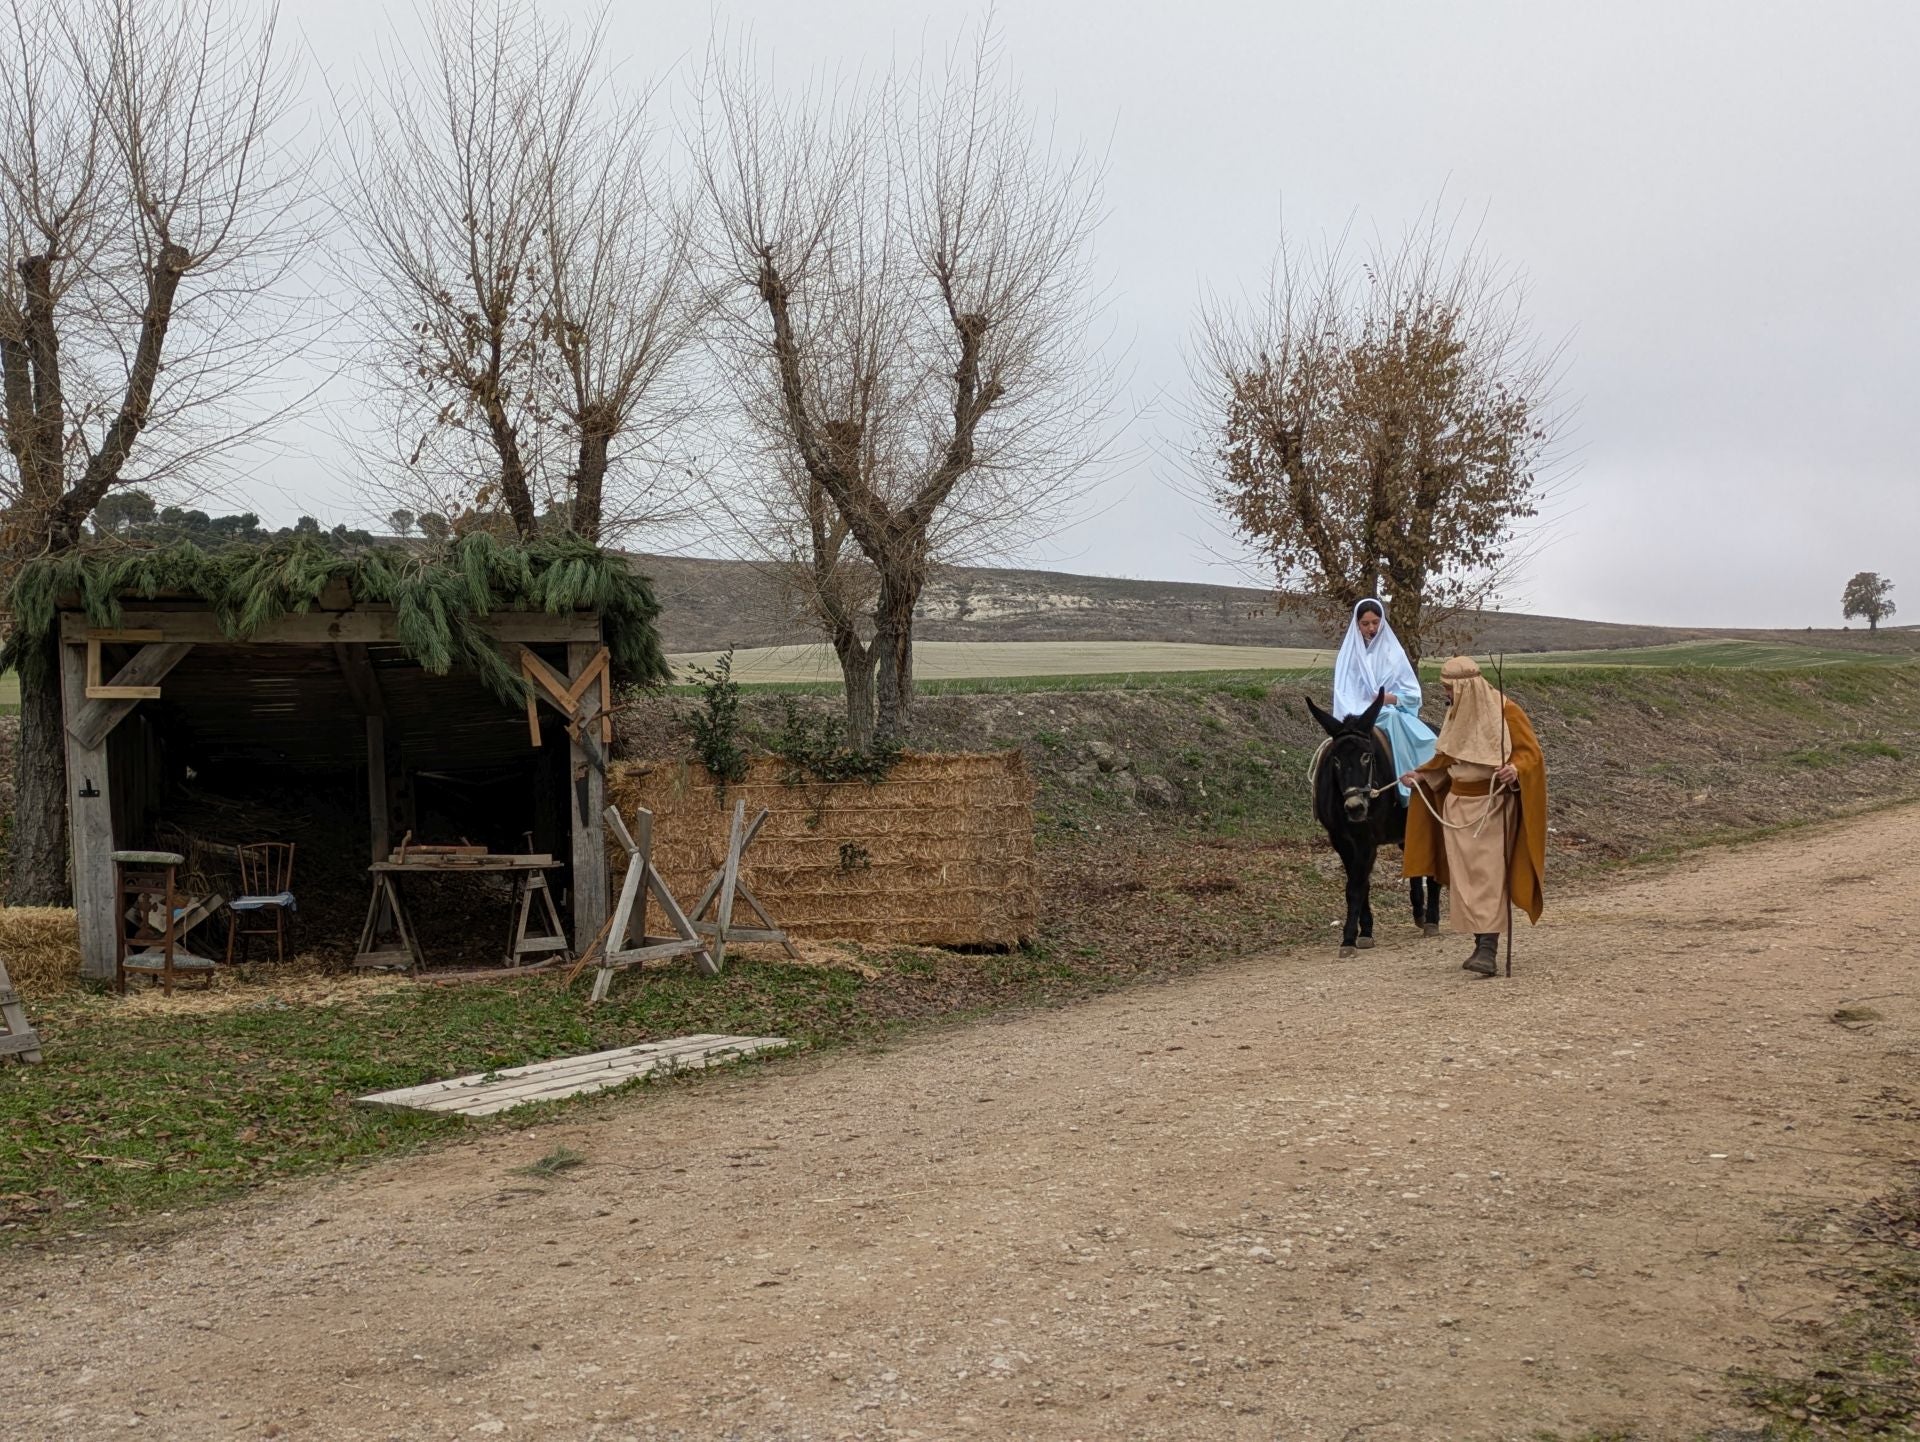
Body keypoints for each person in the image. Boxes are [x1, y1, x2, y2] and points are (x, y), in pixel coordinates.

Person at [1399, 656, 1547, 977]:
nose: (1446, 695)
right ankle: (1481, 941)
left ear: (1465, 686)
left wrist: (1515, 769)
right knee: (1466, 881)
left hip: (1492, 807)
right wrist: (1423, 776)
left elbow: (1530, 754)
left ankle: (1488, 949)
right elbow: (1447, 760)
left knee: (1490, 876)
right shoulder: (1457, 712)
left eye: (1449, 688)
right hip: (1457, 809)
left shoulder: (1506, 710)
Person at [1331, 597, 1436, 797]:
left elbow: (1412, 694)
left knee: (1416, 733)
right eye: (1365, 624)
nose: (1371, 628)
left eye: (1375, 622)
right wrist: (1360, 707)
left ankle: (1407, 779)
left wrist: (1390, 699)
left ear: (1382, 621)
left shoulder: (1393, 652)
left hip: (1386, 711)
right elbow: (1342, 691)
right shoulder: (1348, 654)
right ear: (1357, 625)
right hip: (1356, 712)